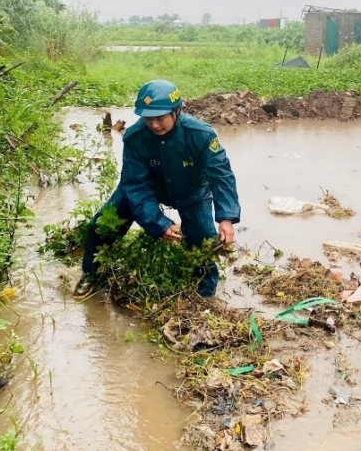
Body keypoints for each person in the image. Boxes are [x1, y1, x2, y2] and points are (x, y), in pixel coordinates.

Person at [76, 80, 240, 298]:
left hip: (190, 191)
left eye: (160, 118)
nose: (154, 125)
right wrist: (157, 222)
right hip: (148, 188)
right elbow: (135, 184)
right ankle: (90, 273)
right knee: (102, 225)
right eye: (148, 118)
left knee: (203, 242)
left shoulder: (200, 134)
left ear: (176, 111)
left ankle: (204, 293)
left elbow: (221, 175)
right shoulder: (135, 137)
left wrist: (226, 217)